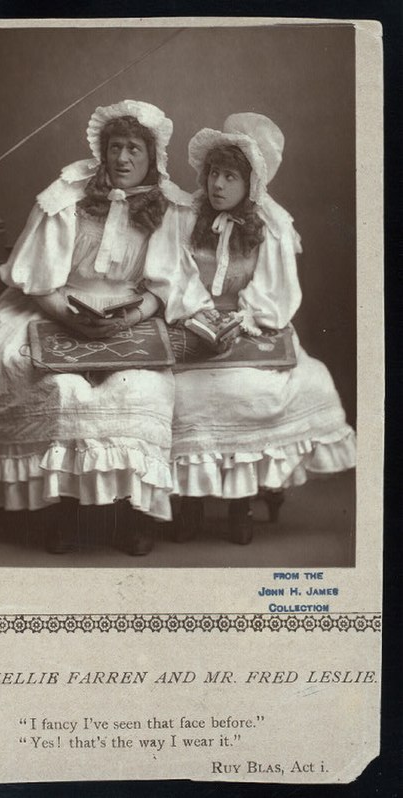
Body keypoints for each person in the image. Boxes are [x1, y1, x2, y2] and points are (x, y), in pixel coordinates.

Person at [0, 100, 210, 556]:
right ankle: (63, 511)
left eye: (133, 150)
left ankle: (128, 513)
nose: (122, 159)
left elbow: (166, 287)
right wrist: (69, 317)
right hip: (51, 305)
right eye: (114, 148)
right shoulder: (66, 195)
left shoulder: (168, 207)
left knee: (138, 390)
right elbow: (36, 280)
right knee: (59, 387)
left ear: (151, 157)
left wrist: (132, 315)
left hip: (129, 314)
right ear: (101, 151)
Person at [171, 113, 356, 543]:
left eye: (230, 176)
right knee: (181, 394)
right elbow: (172, 274)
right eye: (214, 173)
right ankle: (190, 503)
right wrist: (195, 312)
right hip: (191, 321)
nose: (218, 184)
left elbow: (277, 292)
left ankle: (241, 502)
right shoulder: (184, 216)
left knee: (254, 391)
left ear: (250, 183)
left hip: (247, 326)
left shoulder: (270, 225)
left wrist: (245, 317)